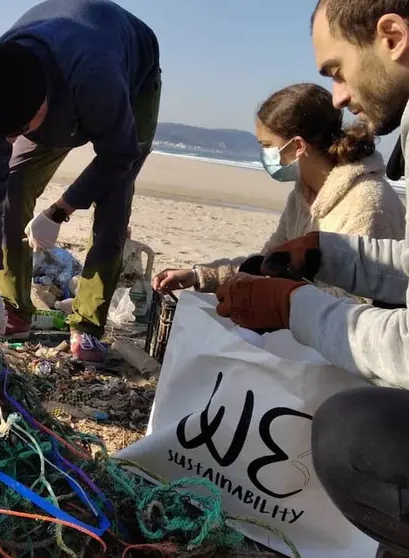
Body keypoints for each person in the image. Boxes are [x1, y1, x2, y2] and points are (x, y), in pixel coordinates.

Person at [214, 2, 409, 555]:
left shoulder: (367, 198)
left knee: (351, 436)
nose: (341, 98)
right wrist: (328, 255)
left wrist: (291, 307)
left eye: (337, 71)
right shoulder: (308, 194)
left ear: (391, 35)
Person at [0, 0, 161, 362]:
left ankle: (88, 324)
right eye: (3, 134)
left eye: (19, 130)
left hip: (133, 79)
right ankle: (11, 307)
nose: (10, 140)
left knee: (114, 202)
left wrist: (58, 210)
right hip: (53, 92)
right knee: (11, 188)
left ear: (46, 100)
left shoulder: (95, 75)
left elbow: (118, 156)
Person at [153, 83, 405, 299]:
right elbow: (268, 262)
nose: (265, 155)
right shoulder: (303, 195)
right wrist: (198, 276)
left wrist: (279, 300)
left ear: (297, 146)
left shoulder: (369, 204)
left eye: (267, 146)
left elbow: (359, 302)